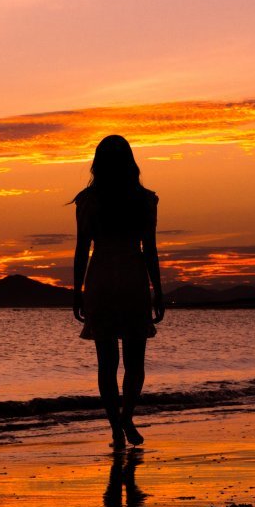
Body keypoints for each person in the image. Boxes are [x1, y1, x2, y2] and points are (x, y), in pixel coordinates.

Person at [72, 135, 165, 450]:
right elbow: (149, 250)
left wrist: (77, 290)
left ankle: (116, 428)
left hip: (99, 281)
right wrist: (158, 289)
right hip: (132, 281)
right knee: (135, 362)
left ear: (98, 163)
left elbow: (82, 250)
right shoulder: (144, 200)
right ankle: (126, 418)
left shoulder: (87, 201)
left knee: (106, 363)